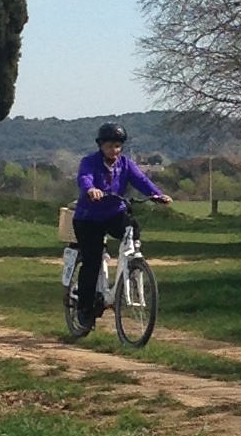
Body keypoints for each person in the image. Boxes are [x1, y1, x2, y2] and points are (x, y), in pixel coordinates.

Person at [70, 121, 169, 332]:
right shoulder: (89, 161)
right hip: (88, 218)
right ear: (100, 146)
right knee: (92, 260)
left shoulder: (126, 164)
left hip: (114, 214)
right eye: (109, 146)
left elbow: (141, 180)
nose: (113, 150)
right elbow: (84, 178)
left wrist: (157, 195)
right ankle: (85, 310)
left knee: (132, 228)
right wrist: (91, 190)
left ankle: (133, 265)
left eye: (117, 146)